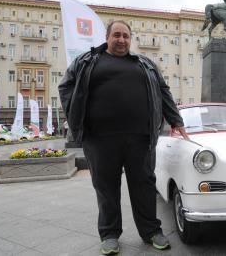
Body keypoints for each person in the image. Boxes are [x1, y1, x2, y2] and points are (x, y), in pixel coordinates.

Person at [58, 20, 188, 255]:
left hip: (141, 138)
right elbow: (65, 86)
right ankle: (109, 235)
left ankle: (151, 232)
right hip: (99, 139)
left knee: (145, 186)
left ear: (131, 39)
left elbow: (163, 90)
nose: (121, 40)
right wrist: (76, 117)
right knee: (106, 188)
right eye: (116, 35)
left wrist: (176, 120)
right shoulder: (87, 62)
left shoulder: (145, 64)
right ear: (107, 37)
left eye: (126, 36)